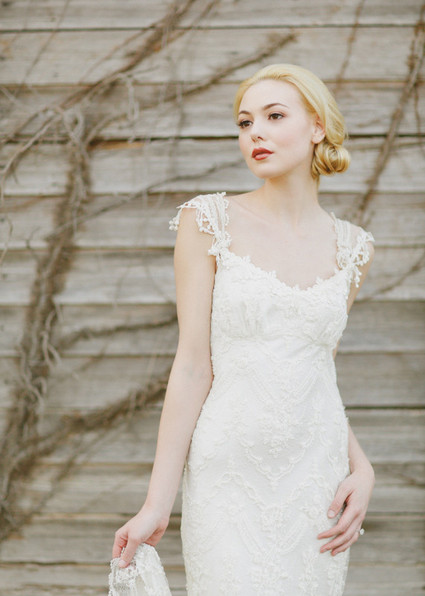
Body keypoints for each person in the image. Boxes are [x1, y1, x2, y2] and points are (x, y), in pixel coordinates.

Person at [112, 63, 376, 594]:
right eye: (245, 122)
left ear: (317, 126)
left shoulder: (354, 247)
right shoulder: (208, 221)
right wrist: (157, 503)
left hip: (316, 479)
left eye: (274, 116)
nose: (255, 132)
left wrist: (362, 467)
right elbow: (193, 364)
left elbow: (315, 371)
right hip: (229, 471)